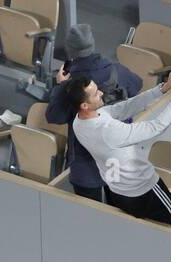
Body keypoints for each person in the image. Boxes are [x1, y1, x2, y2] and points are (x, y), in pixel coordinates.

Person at [69, 68, 171, 224]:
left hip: (117, 191)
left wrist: (164, 88)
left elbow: (127, 107)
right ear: (85, 105)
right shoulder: (108, 131)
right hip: (143, 190)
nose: (100, 93)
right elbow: (157, 126)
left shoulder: (78, 123)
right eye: (95, 94)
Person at [47, 24, 143, 204]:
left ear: (71, 49)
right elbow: (137, 85)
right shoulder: (116, 70)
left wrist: (60, 85)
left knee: (91, 218)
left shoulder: (69, 85)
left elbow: (54, 116)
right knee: (123, 212)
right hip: (118, 158)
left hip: (85, 164)